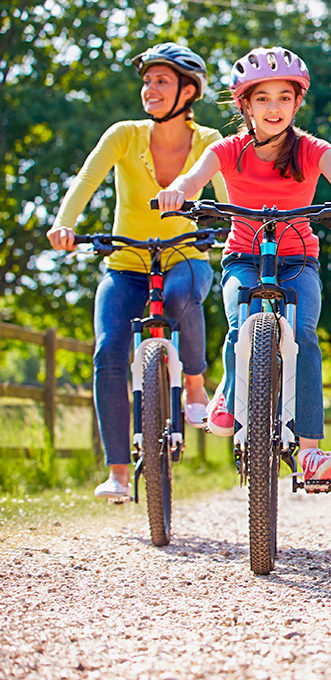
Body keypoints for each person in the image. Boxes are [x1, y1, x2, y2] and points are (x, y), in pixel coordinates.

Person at [156, 46, 331, 487]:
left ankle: (310, 453)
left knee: (303, 336)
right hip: (243, 255)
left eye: (283, 97)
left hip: (299, 260)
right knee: (241, 323)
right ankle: (230, 393)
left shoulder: (314, 150)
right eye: (262, 98)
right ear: (245, 105)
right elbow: (193, 177)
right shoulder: (228, 150)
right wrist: (178, 191)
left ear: (298, 103)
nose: (273, 107)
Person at [47, 42, 225, 501]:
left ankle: (194, 384)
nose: (150, 88)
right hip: (125, 263)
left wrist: (234, 230)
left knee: (185, 296)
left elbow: (227, 200)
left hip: (185, 255)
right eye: (147, 81)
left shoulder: (207, 142)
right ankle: (119, 474)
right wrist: (65, 224)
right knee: (108, 351)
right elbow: (87, 179)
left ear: (189, 90)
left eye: (161, 80)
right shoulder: (124, 134)